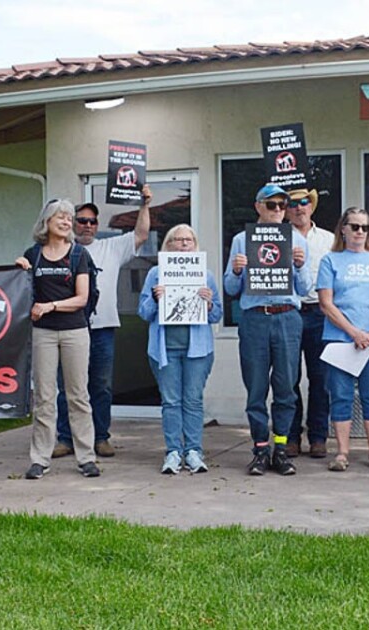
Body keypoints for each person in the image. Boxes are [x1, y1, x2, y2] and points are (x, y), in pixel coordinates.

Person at [51, 186, 151, 459]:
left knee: (101, 386)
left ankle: (100, 437)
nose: (87, 225)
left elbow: (141, 234)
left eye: (92, 221)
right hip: (69, 328)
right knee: (68, 387)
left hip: (103, 328)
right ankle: (65, 438)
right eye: (81, 220)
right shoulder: (60, 251)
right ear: (72, 224)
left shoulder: (111, 247)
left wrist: (144, 204)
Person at [224, 184, 311, 476]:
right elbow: (230, 289)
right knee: (256, 388)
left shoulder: (297, 239)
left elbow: (306, 288)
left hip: (287, 317)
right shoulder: (240, 240)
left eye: (282, 206)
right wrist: (237, 270)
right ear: (258, 206)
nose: (278, 210)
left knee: (287, 388)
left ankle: (282, 448)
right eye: (271, 205)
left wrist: (299, 266)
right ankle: (261, 448)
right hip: (255, 318)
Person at [15, 199, 101, 480]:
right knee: (44, 397)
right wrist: (18, 269)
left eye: (69, 218)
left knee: (78, 396)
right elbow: (21, 289)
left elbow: (82, 299)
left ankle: (86, 457)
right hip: (43, 334)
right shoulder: (34, 254)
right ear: (46, 222)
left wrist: (50, 306)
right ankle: (39, 458)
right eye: (60, 217)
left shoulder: (78, 255)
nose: (66, 222)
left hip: (74, 331)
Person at [137, 225, 223, 474]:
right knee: (171, 401)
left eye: (189, 239)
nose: (184, 243)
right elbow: (143, 312)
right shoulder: (156, 273)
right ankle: (173, 452)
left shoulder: (204, 275)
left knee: (193, 401)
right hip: (165, 349)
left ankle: (194, 451)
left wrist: (208, 304)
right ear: (169, 244)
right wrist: (154, 298)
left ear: (195, 244)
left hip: (197, 349)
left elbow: (217, 314)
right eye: (178, 239)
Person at [316, 207, 369, 472]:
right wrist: (353, 332)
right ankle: (342, 453)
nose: (360, 232)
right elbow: (326, 303)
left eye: (365, 227)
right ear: (344, 229)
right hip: (339, 340)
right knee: (340, 396)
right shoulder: (330, 260)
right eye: (355, 226)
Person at [286, 187, 333, 458]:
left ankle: (318, 437)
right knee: (288, 378)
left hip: (320, 312)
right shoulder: (278, 239)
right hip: (290, 311)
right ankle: (291, 436)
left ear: (311, 206)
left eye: (304, 202)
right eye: (292, 204)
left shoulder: (328, 240)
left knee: (320, 378)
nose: (299, 208)